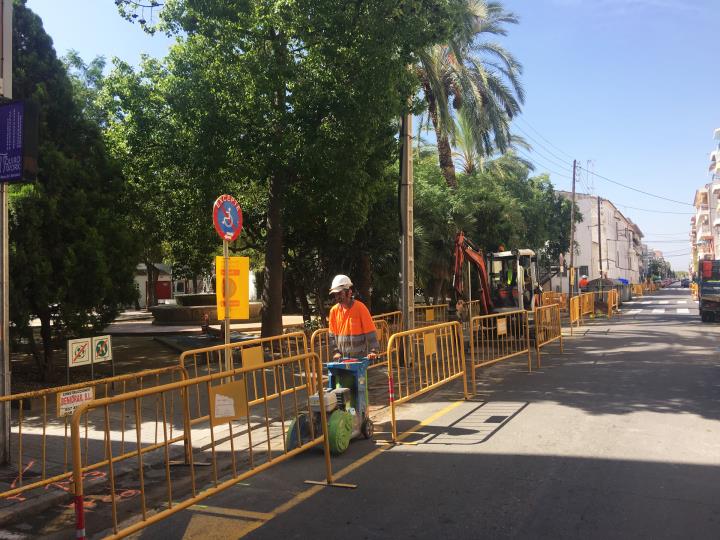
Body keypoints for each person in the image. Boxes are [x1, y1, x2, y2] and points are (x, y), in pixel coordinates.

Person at [327, 274, 379, 361]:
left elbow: (370, 333)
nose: (337, 297)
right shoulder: (334, 311)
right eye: (335, 294)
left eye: (340, 293)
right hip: (341, 359)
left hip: (360, 359)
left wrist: (373, 351)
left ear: (349, 292)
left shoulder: (360, 308)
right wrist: (335, 352)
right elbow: (332, 336)